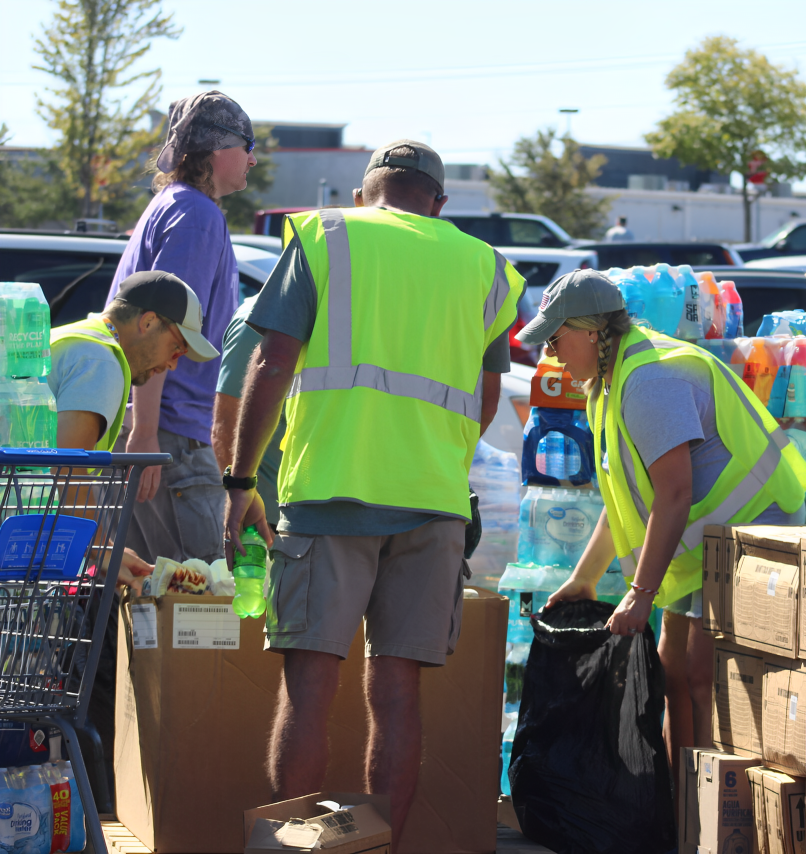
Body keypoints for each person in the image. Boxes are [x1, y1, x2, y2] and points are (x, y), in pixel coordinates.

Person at [222, 140, 522, 848]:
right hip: (435, 504)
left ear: (364, 194)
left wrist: (239, 481)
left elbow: (271, 362)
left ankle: (298, 849)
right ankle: (376, 848)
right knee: (397, 698)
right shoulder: (484, 266)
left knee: (310, 690)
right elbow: (485, 398)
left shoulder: (327, 234)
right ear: (438, 205)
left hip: (329, 493)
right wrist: (436, 460)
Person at [537, 270, 806, 796]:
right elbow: (628, 498)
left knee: (697, 671)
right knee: (670, 668)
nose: (551, 354)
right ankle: (680, 806)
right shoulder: (612, 379)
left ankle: (714, 809)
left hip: (753, 526)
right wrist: (585, 579)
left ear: (592, 331)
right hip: (703, 536)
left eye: (555, 339)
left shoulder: (648, 381)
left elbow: (673, 495)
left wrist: (640, 595)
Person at [49, 269, 220, 808]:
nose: (173, 364)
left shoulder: (76, 340)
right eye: (174, 346)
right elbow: (67, 468)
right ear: (147, 321)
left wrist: (104, 549)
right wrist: (100, 552)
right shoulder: (103, 360)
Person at [106, 90, 256, 565]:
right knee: (196, 605)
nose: (253, 158)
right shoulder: (196, 215)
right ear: (216, 149)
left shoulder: (175, 204)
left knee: (145, 606)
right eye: (247, 144)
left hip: (159, 433)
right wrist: (146, 434)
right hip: (167, 438)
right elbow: (158, 329)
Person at [212, 292, 286, 529]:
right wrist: (242, 501)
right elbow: (225, 426)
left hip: (300, 511)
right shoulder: (257, 318)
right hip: (264, 520)